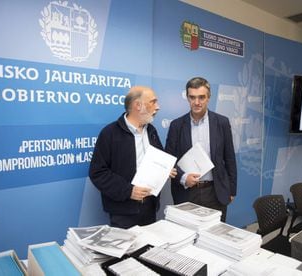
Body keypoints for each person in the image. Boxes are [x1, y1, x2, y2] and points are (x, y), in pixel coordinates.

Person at [89, 86, 176, 229]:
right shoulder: (110, 133)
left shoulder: (151, 131)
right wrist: (128, 191)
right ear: (138, 105)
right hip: (123, 211)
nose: (158, 107)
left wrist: (165, 170)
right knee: (127, 251)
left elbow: (159, 158)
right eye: (153, 102)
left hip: (150, 207)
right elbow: (98, 173)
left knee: (148, 250)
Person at [165, 77, 237, 222]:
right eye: (192, 97)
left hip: (216, 192)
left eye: (201, 97)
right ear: (187, 98)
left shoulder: (222, 122)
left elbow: (229, 158)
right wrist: (184, 178)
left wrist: (231, 190)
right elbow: (169, 160)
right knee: (187, 235)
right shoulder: (176, 125)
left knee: (215, 236)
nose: (196, 102)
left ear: (209, 98)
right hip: (186, 192)